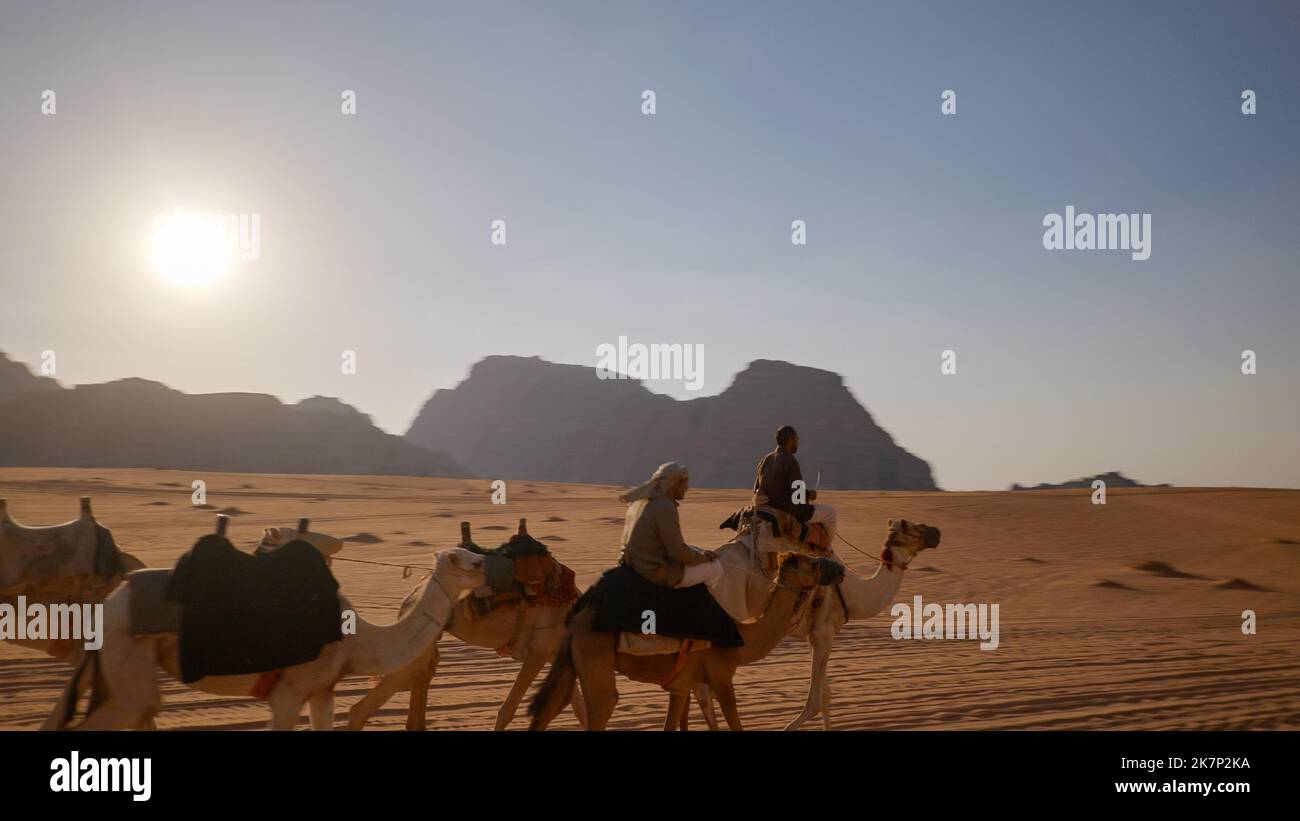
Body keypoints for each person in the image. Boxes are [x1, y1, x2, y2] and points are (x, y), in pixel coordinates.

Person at [618, 462, 723, 589]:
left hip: (633, 564)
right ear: (673, 485)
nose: (687, 487)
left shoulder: (640, 501)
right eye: (684, 482)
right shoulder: (664, 506)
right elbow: (677, 551)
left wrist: (699, 554)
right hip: (653, 570)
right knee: (715, 568)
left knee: (695, 549)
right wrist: (702, 558)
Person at [753, 425, 838, 543]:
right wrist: (810, 495)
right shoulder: (790, 460)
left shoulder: (766, 460)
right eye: (797, 439)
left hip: (768, 510)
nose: (798, 442)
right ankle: (826, 549)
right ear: (790, 440)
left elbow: (757, 492)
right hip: (788, 511)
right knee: (830, 513)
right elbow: (797, 498)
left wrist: (806, 493)